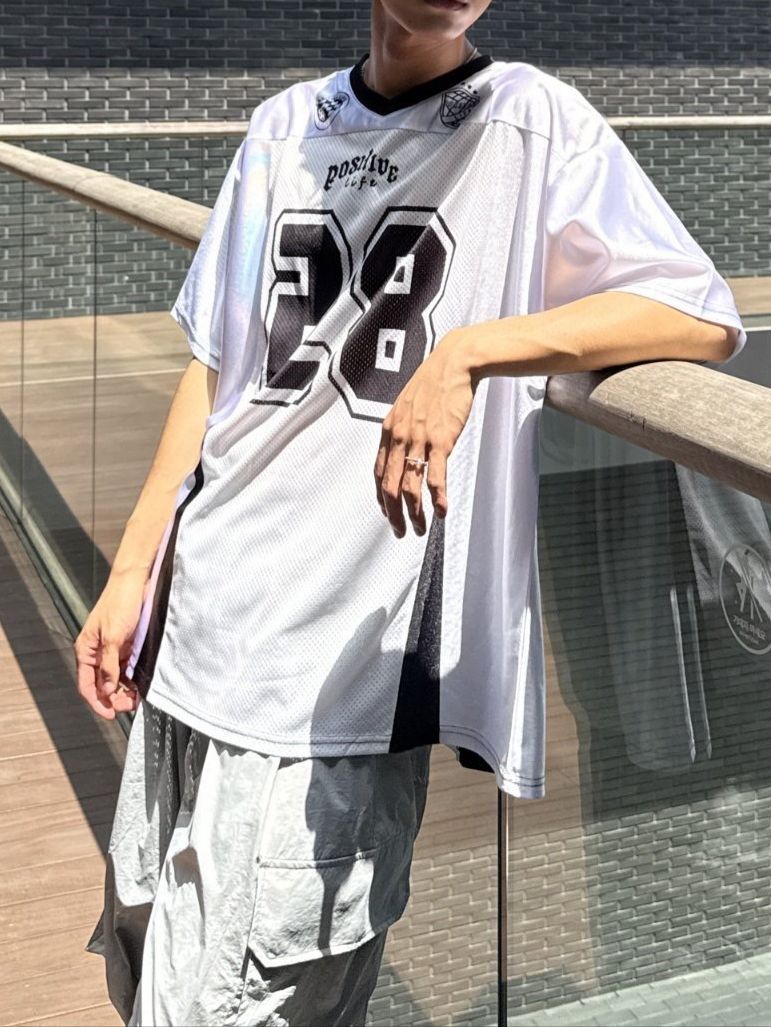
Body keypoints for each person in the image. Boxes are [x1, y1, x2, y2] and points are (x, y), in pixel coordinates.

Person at [75, 1, 747, 1024]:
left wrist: (471, 351)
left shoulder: (529, 118)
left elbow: (695, 312)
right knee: (144, 953)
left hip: (340, 665)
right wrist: (133, 573)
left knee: (249, 997)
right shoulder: (282, 127)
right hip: (199, 623)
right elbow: (215, 369)